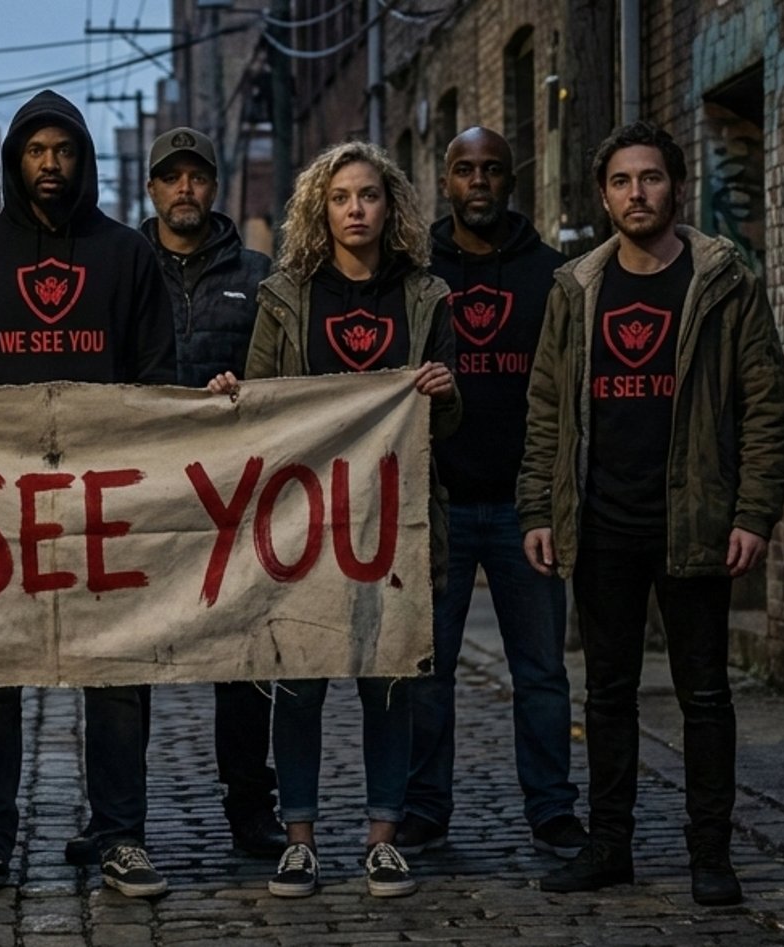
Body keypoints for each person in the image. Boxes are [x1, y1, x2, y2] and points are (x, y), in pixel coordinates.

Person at [520, 121, 784, 906]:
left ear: (675, 186)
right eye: (620, 181)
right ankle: (610, 847)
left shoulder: (723, 279)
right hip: (602, 522)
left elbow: (766, 406)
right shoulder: (575, 288)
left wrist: (754, 513)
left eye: (650, 178)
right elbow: (546, 408)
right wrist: (539, 506)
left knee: (704, 693)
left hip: (694, 521)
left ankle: (711, 853)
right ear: (603, 195)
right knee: (605, 693)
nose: (636, 193)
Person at [0, 90, 177, 900]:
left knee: (114, 676)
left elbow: (157, 386)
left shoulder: (128, 257)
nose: (50, 164)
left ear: (83, 159)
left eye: (63, 150)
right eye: (35, 151)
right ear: (15, 161)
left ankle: (122, 837)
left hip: (104, 508)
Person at [207, 140, 460, 899]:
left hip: (394, 522)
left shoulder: (426, 297)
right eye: (342, 197)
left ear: (391, 207)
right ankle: (301, 839)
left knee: (388, 682)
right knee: (304, 685)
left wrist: (445, 394)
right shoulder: (287, 296)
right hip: (305, 527)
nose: (357, 209)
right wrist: (233, 393)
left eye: (370, 195)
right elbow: (262, 412)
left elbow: (445, 432)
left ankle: (383, 837)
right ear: (322, 208)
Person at [395, 126, 587, 860]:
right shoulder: (419, 276)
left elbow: (567, 392)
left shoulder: (552, 275)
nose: (479, 182)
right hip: (436, 505)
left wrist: (554, 494)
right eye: (465, 169)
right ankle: (424, 808)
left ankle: (552, 809)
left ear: (513, 179)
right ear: (445, 180)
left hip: (524, 508)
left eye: (493, 170)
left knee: (540, 671)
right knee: (427, 672)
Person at [138, 125, 284, 858]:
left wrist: (247, 391)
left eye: (197, 176)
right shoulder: (124, 266)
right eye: (171, 177)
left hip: (234, 498)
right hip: (141, 494)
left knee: (243, 658)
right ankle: (115, 815)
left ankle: (250, 807)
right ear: (152, 188)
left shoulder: (258, 273)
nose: (184, 189)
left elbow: (284, 377)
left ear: (214, 186)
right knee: (124, 655)